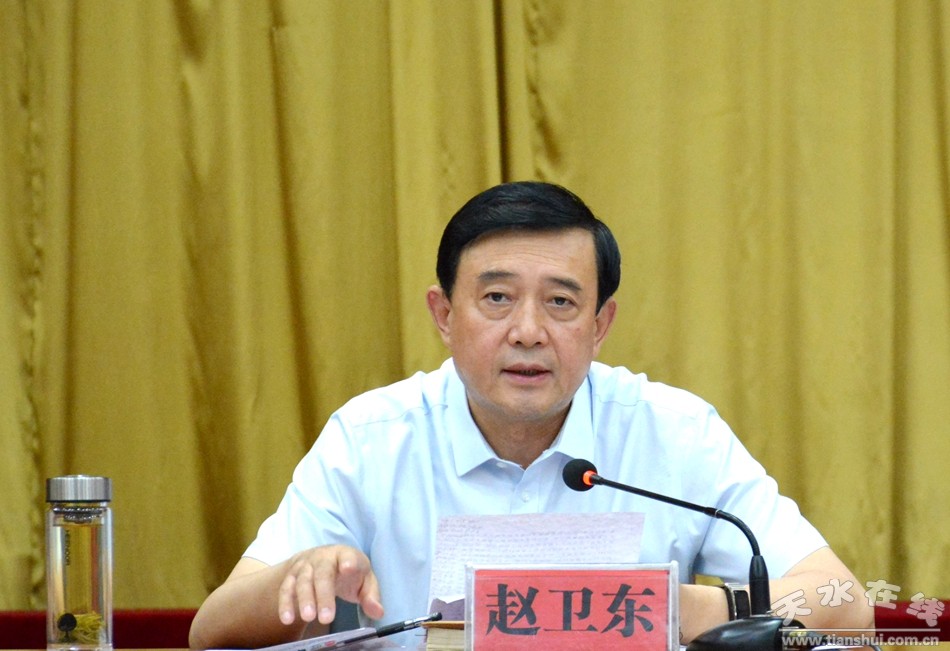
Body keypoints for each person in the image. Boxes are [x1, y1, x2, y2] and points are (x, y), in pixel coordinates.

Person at [189, 181, 872, 649]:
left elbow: (846, 602)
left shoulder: (674, 432)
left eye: (561, 303)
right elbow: (210, 630)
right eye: (496, 298)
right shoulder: (370, 440)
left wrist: (683, 607)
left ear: (600, 325)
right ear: (443, 315)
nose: (527, 332)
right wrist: (297, 578)